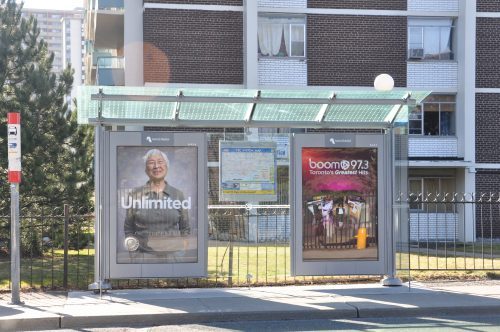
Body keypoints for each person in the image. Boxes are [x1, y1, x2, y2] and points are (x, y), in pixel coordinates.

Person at [123, 149, 191, 258]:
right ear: (146, 169)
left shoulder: (178, 195)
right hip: (143, 258)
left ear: (166, 167)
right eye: (151, 162)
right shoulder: (134, 195)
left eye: (160, 162)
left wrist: (180, 255)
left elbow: (185, 229)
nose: (156, 166)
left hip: (173, 258)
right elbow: (128, 229)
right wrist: (135, 255)